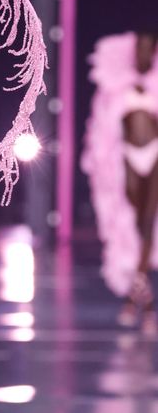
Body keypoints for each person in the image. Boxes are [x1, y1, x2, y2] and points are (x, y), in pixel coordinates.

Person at [82, 31, 158, 335]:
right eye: (140, 48)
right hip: (127, 157)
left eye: (149, 49)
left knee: (148, 222)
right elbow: (102, 130)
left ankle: (134, 299)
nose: (144, 54)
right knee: (133, 223)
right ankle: (148, 304)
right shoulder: (114, 87)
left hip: (155, 155)